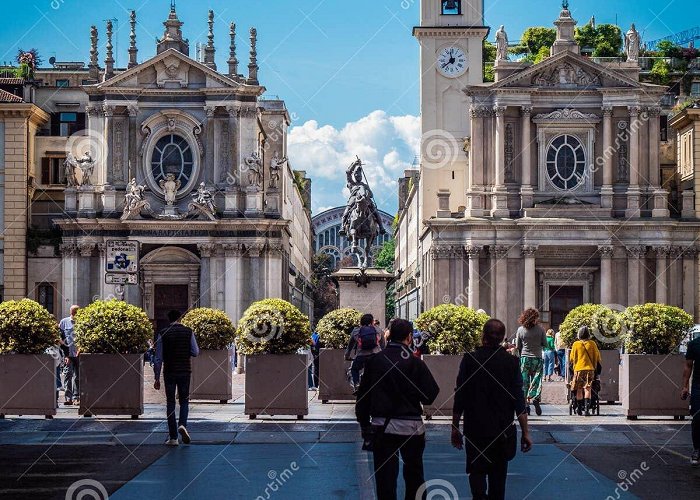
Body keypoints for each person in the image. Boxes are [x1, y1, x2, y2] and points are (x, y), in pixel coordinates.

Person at [356, 319, 440, 500]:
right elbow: (430, 394)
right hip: (412, 427)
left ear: (389, 335)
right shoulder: (415, 362)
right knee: (415, 476)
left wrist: (364, 424)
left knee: (385, 479)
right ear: (409, 337)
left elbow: (363, 397)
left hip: (382, 427)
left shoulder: (375, 361)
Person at [452, 319, 533, 500]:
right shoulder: (511, 363)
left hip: (475, 430)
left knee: (476, 475)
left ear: (483, 336)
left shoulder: (469, 360)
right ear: (503, 338)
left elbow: (460, 395)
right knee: (498, 480)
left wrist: (455, 427)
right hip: (502, 432)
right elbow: (518, 400)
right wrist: (526, 432)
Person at [153, 309, 200, 446]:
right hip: (185, 370)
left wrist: (156, 377)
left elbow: (158, 358)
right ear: (180, 318)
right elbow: (196, 352)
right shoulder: (188, 332)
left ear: (168, 319)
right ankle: (183, 424)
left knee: (170, 402)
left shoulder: (163, 333)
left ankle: (173, 438)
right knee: (184, 400)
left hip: (170, 371)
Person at [515, 308, 547, 415]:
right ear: (535, 318)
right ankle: (535, 399)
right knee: (536, 381)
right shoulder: (541, 329)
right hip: (537, 358)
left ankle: (525, 405)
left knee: (524, 383)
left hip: (524, 358)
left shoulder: (520, 330)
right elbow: (545, 344)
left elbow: (518, 346)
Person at [344, 313, 382, 393]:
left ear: (361, 322)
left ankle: (357, 384)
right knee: (380, 370)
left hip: (362, 356)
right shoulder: (377, 330)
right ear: (372, 322)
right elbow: (383, 344)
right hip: (376, 355)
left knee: (354, 369)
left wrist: (347, 356)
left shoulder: (356, 331)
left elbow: (350, 345)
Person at [569, 326, 601, 417]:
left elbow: (572, 358)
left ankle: (579, 409)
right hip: (590, 369)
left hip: (579, 369)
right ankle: (587, 410)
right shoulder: (592, 344)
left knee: (579, 389)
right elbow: (597, 357)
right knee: (588, 389)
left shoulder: (576, 344)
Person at [682, 331, 700, 465]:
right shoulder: (694, 344)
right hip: (698, 387)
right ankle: (697, 449)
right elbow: (688, 366)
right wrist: (685, 386)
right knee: (698, 418)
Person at [59, 305, 80, 406]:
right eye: (73, 312)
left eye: (75, 312)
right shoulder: (64, 322)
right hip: (68, 354)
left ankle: (76, 397)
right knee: (68, 374)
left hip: (79, 354)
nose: (74, 314)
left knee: (78, 376)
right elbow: (61, 338)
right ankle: (68, 398)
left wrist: (81, 349)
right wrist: (65, 354)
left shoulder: (82, 322)